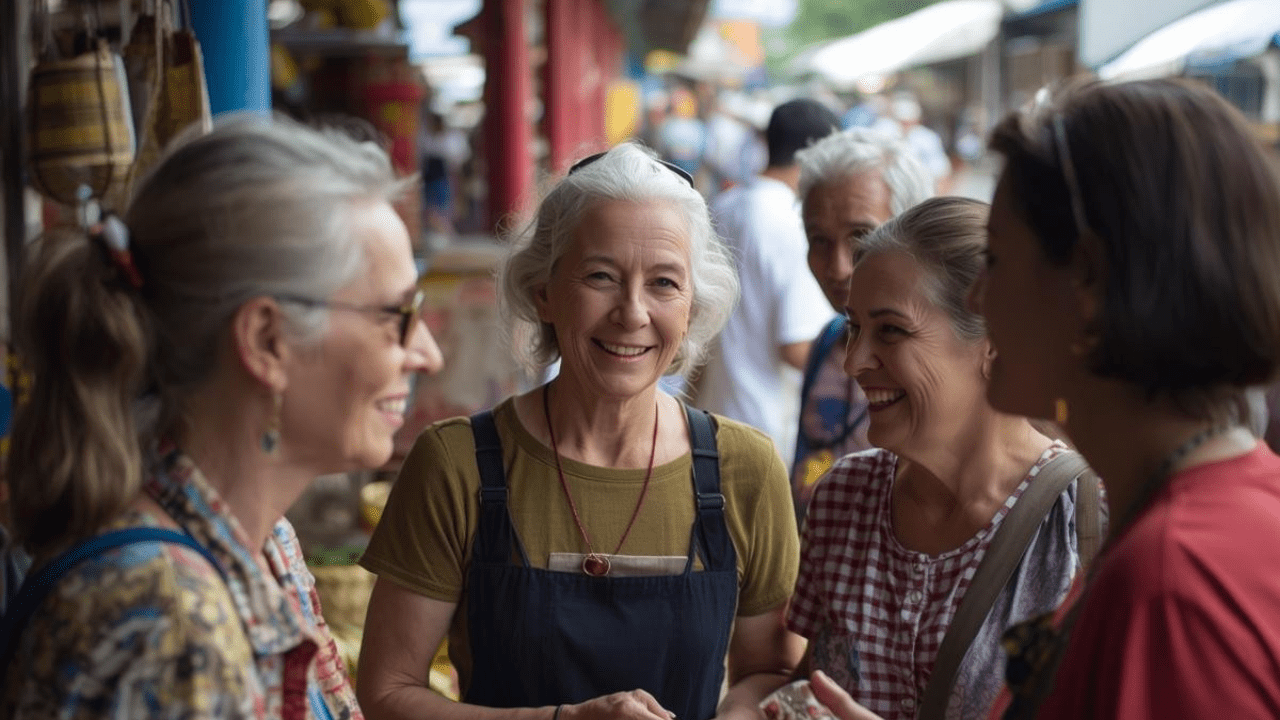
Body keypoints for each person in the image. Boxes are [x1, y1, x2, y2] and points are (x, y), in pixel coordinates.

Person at [806, 78, 1280, 720]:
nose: (977, 301)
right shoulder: (1211, 511)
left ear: (1085, 281)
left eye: (997, 260)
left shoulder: (1171, 577)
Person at [0, 116, 445, 716]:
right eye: (397, 316)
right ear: (266, 341)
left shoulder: (268, 544)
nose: (428, 354)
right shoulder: (169, 623)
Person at [356, 143, 803, 720]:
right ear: (544, 291)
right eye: (601, 276)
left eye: (664, 283)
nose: (633, 312)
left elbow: (769, 671)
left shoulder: (744, 467)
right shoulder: (458, 463)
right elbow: (387, 693)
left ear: (693, 306)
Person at [787, 197, 1097, 720]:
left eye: (890, 330)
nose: (856, 361)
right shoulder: (842, 497)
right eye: (854, 327)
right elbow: (806, 685)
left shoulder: (1080, 523)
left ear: (995, 338)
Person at [790, 128, 934, 517]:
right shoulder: (827, 342)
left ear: (913, 231)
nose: (838, 267)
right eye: (819, 239)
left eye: (861, 236)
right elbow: (816, 454)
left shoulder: (948, 356)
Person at [696, 98, 841, 467]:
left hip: (707, 417)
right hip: (766, 432)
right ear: (819, 156)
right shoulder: (794, 224)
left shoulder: (723, 205)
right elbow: (796, 346)